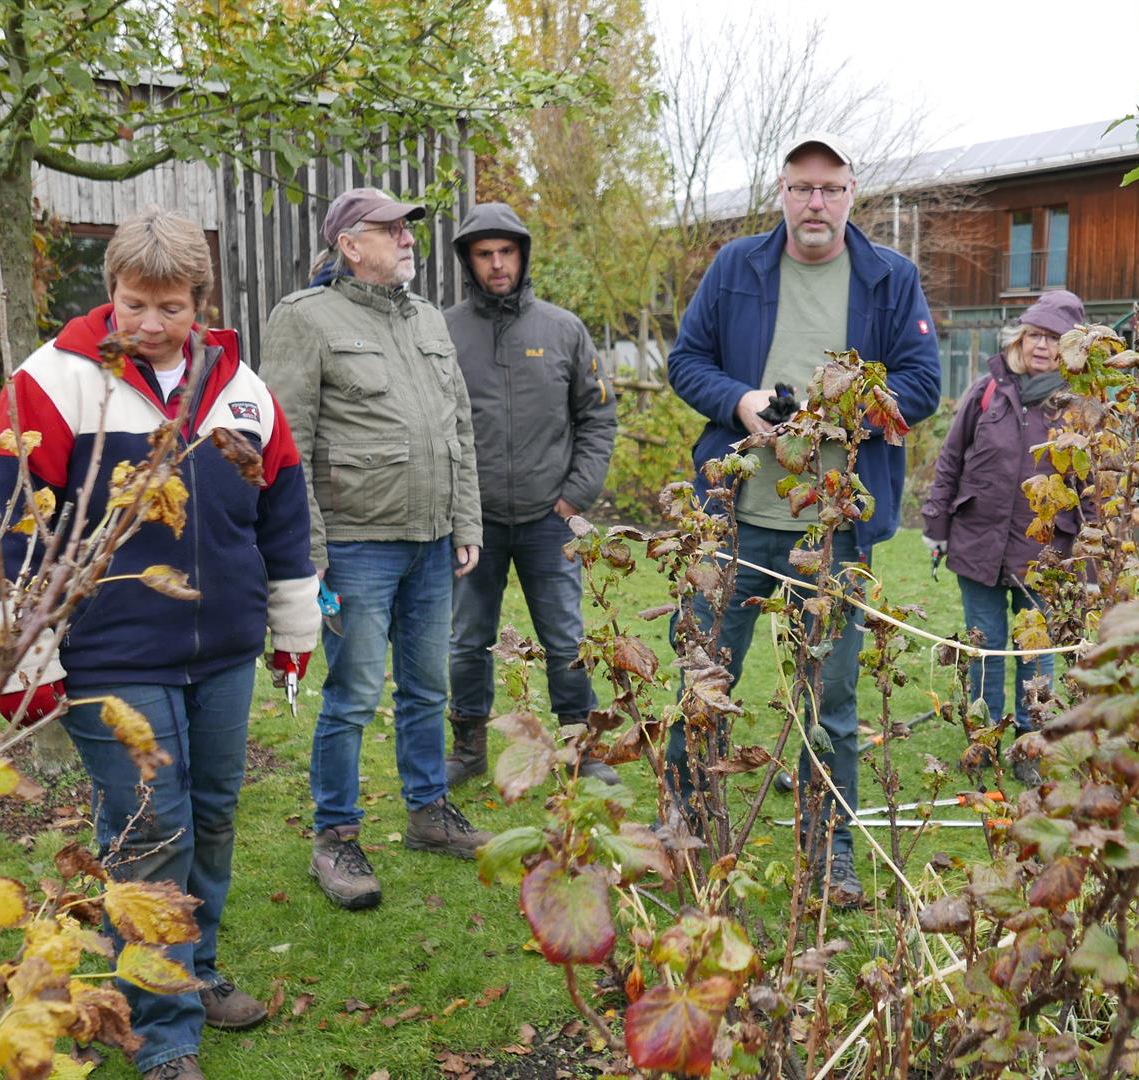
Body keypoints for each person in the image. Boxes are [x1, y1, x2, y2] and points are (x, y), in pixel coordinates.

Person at [0, 208, 318, 1080]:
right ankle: (161, 1034)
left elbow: (280, 513)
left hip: (224, 646)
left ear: (200, 301)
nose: (153, 325)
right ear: (111, 293)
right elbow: (9, 529)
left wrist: (291, 624)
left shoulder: (240, 387)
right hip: (110, 649)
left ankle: (191, 971)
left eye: (172, 307)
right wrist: (23, 656)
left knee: (210, 815)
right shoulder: (47, 386)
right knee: (148, 830)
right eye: (136, 304)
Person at [665, 133, 943, 908]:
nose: (815, 203)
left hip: (834, 526)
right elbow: (685, 360)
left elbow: (923, 384)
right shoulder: (736, 268)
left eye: (830, 188)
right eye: (801, 188)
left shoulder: (890, 278)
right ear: (781, 193)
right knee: (702, 675)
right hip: (737, 516)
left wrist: (849, 409)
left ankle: (830, 854)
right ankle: (686, 825)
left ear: (854, 193)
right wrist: (741, 402)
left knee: (835, 699)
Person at [258, 187, 491, 913]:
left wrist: (467, 521)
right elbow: (283, 442)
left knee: (427, 688)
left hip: (430, 540)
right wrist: (309, 548)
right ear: (348, 244)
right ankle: (335, 837)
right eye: (390, 230)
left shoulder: (425, 317)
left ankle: (428, 813)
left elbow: (458, 429)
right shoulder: (304, 319)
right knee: (354, 695)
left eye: (407, 229)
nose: (407, 239)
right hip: (356, 545)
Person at [442, 203, 619, 786]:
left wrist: (575, 496)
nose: (497, 264)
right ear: (469, 261)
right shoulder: (444, 332)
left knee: (565, 636)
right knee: (468, 640)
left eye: (507, 252)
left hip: (550, 518)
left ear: (522, 254)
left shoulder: (563, 329)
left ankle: (581, 749)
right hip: (474, 522)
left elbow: (597, 419)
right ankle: (467, 746)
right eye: (485, 254)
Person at [921, 290, 1089, 732]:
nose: (1041, 346)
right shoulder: (989, 390)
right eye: (1034, 334)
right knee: (986, 645)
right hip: (977, 542)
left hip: (1046, 552)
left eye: (1054, 339)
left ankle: (1031, 738)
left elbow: (1093, 488)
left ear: (1070, 349)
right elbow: (951, 459)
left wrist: (1093, 554)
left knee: (1035, 649)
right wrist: (936, 523)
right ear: (1019, 339)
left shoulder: (1082, 407)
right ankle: (986, 732)